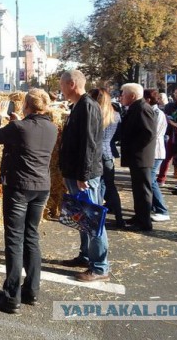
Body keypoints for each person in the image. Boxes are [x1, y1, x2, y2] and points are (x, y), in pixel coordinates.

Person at [0, 89, 58, 314]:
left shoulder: (19, 127)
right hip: (41, 187)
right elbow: (29, 137)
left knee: (14, 240)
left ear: (26, 105)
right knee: (31, 237)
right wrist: (19, 122)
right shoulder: (52, 127)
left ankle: (11, 297)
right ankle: (31, 291)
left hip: (19, 187)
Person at [58, 70, 108, 282]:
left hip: (84, 174)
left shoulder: (87, 106)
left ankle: (99, 267)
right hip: (76, 172)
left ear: (71, 84)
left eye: (61, 85)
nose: (60, 89)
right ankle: (86, 255)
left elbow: (89, 145)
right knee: (82, 216)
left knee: (93, 218)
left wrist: (83, 175)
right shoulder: (79, 105)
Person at [119, 83, 156, 232]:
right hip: (138, 157)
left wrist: (133, 148)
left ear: (132, 96)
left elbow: (148, 133)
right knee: (138, 189)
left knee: (143, 190)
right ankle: (139, 216)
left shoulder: (142, 108)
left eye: (123, 94)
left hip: (141, 157)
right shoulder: (136, 107)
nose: (121, 97)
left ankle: (144, 221)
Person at [89, 88, 123, 229]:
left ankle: (95, 217)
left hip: (94, 154)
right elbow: (118, 136)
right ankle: (119, 218)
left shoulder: (92, 114)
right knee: (109, 185)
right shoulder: (115, 115)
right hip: (108, 153)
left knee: (95, 186)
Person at [143, 89, 171, 222]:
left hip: (155, 151)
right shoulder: (155, 111)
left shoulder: (155, 112)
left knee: (151, 180)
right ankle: (156, 207)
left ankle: (162, 210)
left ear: (148, 99)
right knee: (150, 180)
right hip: (155, 150)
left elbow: (151, 133)